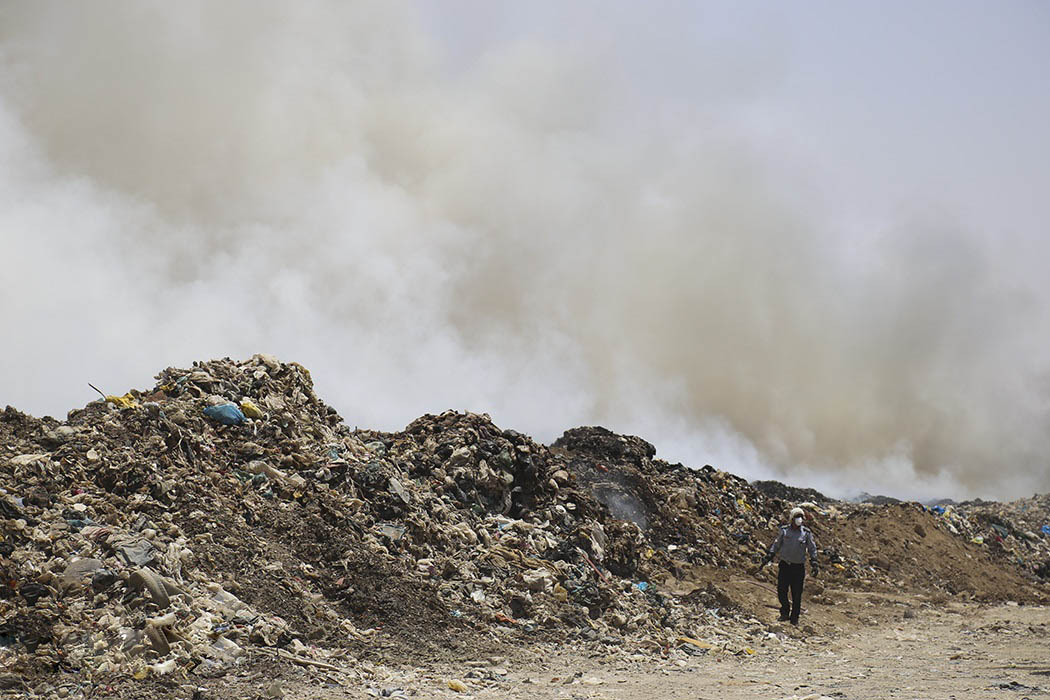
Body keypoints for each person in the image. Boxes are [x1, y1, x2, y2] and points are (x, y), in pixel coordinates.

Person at [760, 506, 818, 625]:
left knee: (797, 594)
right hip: (785, 565)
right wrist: (769, 555)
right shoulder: (784, 530)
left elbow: (812, 548)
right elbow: (777, 545)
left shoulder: (806, 533)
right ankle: (784, 612)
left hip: (798, 567)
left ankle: (794, 617)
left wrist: (814, 562)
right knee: (782, 590)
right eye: (797, 517)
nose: (799, 519)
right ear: (792, 518)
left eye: (801, 517)